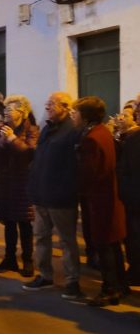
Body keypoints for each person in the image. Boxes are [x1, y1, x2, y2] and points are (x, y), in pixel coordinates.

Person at [23, 92, 83, 299]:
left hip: (61, 196)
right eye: (47, 103)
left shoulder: (73, 131)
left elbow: (75, 165)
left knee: (66, 241)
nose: (47, 106)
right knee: (41, 237)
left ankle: (72, 281)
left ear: (65, 107)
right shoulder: (48, 128)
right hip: (41, 194)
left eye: (52, 103)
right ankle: (45, 275)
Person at [71, 96, 128, 306]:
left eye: (75, 112)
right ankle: (121, 285)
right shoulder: (103, 132)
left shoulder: (91, 138)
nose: (73, 116)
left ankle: (109, 289)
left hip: (101, 200)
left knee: (104, 245)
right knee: (113, 245)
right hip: (110, 197)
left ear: (85, 116)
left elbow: (89, 174)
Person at [0, 95, 39, 277]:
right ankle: (10, 258)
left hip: (22, 183)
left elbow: (29, 152)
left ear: (22, 112)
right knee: (8, 222)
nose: (6, 112)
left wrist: (13, 139)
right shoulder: (0, 129)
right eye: (5, 109)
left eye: (10, 109)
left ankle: (28, 260)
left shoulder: (32, 130)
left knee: (24, 223)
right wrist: (0, 142)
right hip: (4, 182)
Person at [117, 100, 140, 286]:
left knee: (134, 236)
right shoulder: (132, 138)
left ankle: (135, 271)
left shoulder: (133, 139)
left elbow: (125, 170)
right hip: (133, 197)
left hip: (134, 199)